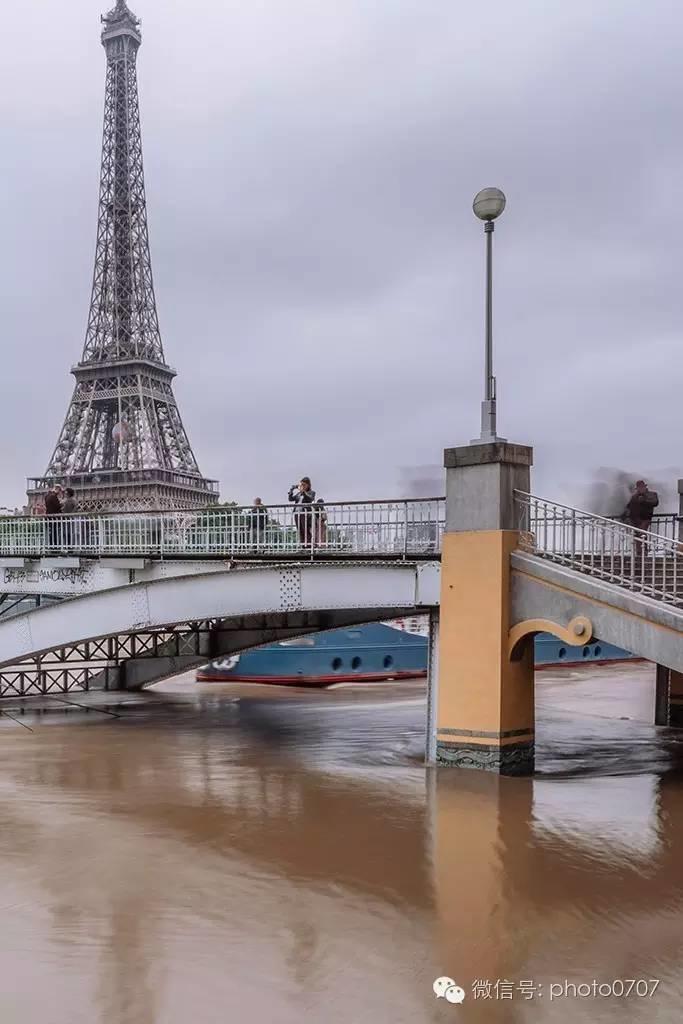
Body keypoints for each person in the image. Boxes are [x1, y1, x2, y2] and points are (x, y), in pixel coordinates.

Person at [625, 479, 659, 553]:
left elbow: (655, 502)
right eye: (638, 488)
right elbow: (629, 506)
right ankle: (639, 553)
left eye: (641, 487)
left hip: (645, 518)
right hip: (634, 519)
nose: (640, 489)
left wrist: (644, 501)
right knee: (636, 536)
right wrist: (626, 515)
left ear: (645, 487)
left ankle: (644, 552)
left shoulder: (652, 494)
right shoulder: (634, 496)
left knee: (642, 534)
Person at [288, 477, 317, 546]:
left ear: (308, 485)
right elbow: (291, 499)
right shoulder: (299, 494)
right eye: (301, 484)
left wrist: (303, 492)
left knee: (306, 530)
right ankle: (303, 545)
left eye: (304, 484)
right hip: (297, 513)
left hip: (305, 513)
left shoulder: (311, 492)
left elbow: (310, 499)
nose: (302, 486)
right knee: (300, 530)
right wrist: (291, 490)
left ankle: (309, 545)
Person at [44, 486, 62, 551]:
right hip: (54, 518)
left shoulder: (47, 496)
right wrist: (61, 504)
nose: (60, 493)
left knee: (51, 532)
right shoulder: (53, 496)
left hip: (48, 517)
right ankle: (55, 546)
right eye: (59, 491)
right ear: (57, 490)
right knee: (55, 532)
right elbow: (58, 506)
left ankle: (51, 546)